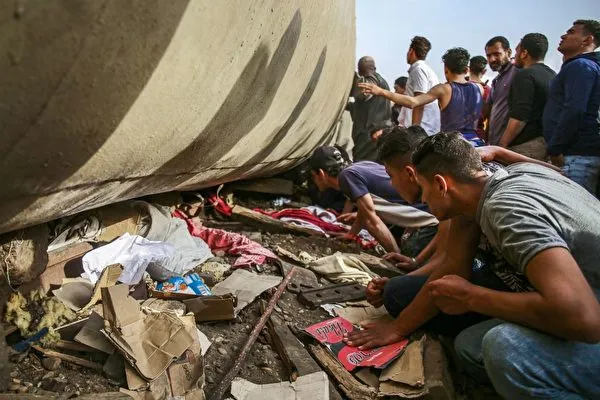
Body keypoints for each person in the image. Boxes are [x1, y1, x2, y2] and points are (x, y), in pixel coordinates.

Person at [409, 132, 600, 399]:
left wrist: (470, 297)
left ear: (441, 185)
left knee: (505, 350)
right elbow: (560, 175)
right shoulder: (519, 172)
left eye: (423, 189)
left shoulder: (505, 208)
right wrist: (501, 152)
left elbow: (584, 319)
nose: (423, 200)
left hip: (590, 314)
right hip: (589, 294)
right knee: (470, 347)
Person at [345, 128, 561, 349]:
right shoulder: (477, 180)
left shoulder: (490, 203)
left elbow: (452, 265)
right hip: (531, 283)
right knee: (399, 291)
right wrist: (500, 152)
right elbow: (450, 259)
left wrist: (398, 327)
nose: (390, 184)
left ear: (438, 183)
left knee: (470, 346)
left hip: (544, 297)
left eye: (390, 176)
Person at [308, 145, 438, 254]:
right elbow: (364, 211)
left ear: (321, 173)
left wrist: (395, 255)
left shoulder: (346, 177)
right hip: (432, 216)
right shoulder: (358, 167)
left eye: (313, 176)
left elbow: (371, 219)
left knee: (408, 254)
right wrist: (351, 234)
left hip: (429, 222)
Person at [360, 48, 485, 146]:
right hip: (476, 142)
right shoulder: (479, 88)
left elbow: (413, 102)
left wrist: (381, 91)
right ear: (466, 69)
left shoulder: (443, 89)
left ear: (446, 69)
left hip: (452, 145)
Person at [543, 20, 600, 197]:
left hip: (576, 155)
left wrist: (555, 148)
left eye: (571, 32)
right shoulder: (584, 66)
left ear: (587, 39)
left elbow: (574, 110)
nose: (563, 36)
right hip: (578, 154)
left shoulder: (580, 66)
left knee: (572, 213)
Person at [497, 33, 556, 161]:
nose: (515, 55)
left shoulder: (524, 75)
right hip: (546, 145)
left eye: (517, 50)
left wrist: (502, 146)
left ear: (524, 53)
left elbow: (519, 116)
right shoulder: (553, 76)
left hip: (525, 147)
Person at [347, 56, 392, 162]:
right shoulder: (383, 82)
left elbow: (365, 93)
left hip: (369, 136)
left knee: (362, 167)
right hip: (380, 132)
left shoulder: (371, 81)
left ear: (359, 71)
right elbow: (365, 106)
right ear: (375, 68)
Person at [397, 36, 441, 135]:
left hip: (423, 130)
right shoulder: (422, 69)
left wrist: (415, 132)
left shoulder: (419, 70)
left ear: (411, 51)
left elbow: (419, 102)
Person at [485, 36, 518, 146]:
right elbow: (490, 113)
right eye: (489, 55)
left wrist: (503, 144)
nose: (492, 59)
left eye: (496, 54)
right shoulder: (496, 81)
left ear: (508, 52)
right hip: (495, 145)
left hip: (512, 145)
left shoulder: (518, 74)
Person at [469, 56, 491, 138]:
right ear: (484, 71)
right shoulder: (488, 90)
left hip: (457, 135)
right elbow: (490, 117)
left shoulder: (458, 87)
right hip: (478, 135)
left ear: (468, 69)